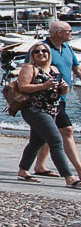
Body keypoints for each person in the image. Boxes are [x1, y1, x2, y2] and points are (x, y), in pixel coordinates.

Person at [14, 42, 81, 187]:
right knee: (56, 140)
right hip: (35, 110)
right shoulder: (29, 68)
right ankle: (69, 177)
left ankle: (23, 170)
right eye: (36, 52)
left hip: (52, 110)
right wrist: (43, 86)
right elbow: (23, 86)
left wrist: (64, 89)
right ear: (32, 55)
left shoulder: (54, 69)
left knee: (36, 142)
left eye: (44, 51)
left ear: (49, 54)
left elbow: (60, 91)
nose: (41, 53)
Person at [33, 20, 81, 177]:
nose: (71, 33)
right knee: (67, 130)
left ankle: (39, 165)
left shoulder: (67, 48)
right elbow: (30, 70)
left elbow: (76, 67)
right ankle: (78, 170)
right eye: (69, 31)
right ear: (59, 33)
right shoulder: (41, 49)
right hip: (45, 100)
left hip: (62, 97)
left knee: (45, 134)